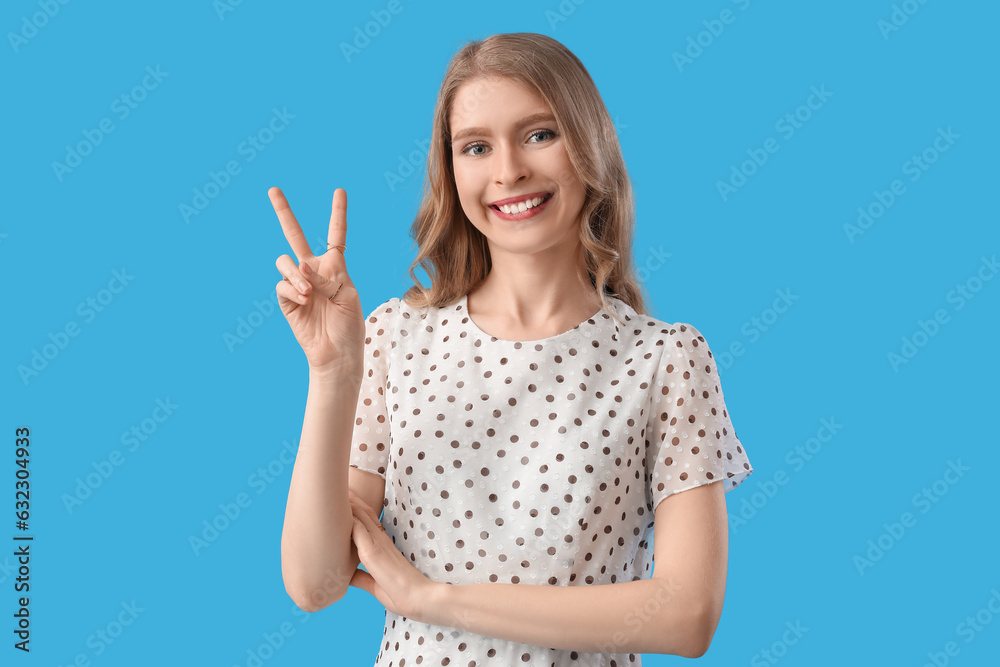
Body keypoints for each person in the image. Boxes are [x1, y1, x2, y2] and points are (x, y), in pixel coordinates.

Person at [273, 32, 753, 666]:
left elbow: (687, 617)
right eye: (476, 147)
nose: (508, 171)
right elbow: (316, 584)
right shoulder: (396, 337)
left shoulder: (666, 358)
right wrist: (332, 372)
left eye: (539, 134)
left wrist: (435, 598)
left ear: (591, 146)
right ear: (452, 170)